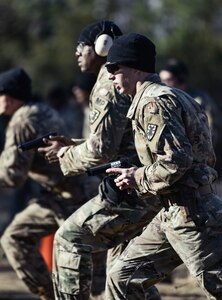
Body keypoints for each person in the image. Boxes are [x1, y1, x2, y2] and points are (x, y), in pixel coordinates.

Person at [38, 21, 161, 299]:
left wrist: (64, 156)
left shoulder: (106, 86)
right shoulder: (119, 81)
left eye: (80, 46)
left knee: (69, 239)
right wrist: (74, 145)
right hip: (147, 185)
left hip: (132, 190)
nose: (76, 53)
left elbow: (102, 151)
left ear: (100, 46)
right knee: (123, 275)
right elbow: (118, 143)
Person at [104, 32, 222, 300]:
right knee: (122, 277)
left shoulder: (153, 101)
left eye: (114, 68)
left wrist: (138, 177)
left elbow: (176, 160)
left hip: (192, 216)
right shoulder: (176, 95)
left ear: (134, 68)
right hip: (173, 213)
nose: (110, 76)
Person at [0, 67, 99, 300]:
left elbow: (13, 175)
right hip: (69, 193)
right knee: (17, 236)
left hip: (70, 198)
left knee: (79, 263)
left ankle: (52, 294)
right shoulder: (41, 110)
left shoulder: (21, 121)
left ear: (9, 97)